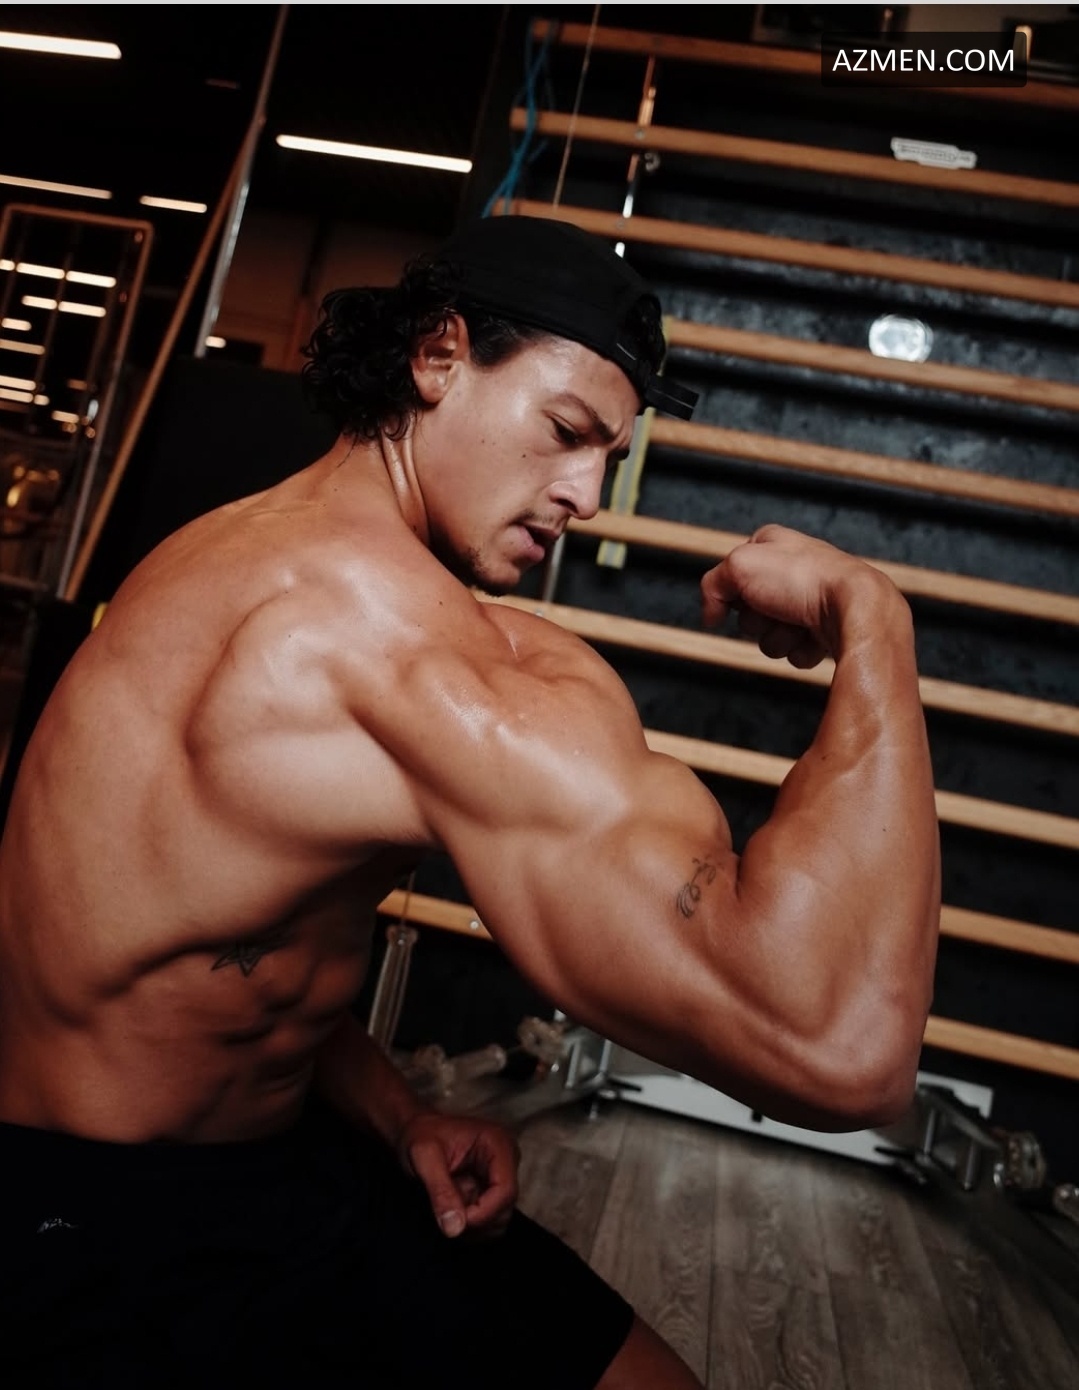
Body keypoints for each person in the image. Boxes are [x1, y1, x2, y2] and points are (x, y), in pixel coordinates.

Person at [0, 214, 940, 1388]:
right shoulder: (399, 648)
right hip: (92, 1238)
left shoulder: (225, 552)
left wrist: (400, 1116)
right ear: (438, 356)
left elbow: (207, 957)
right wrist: (874, 624)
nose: (585, 494)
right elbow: (838, 1047)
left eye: (610, 455)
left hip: (272, 1163)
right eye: (565, 431)